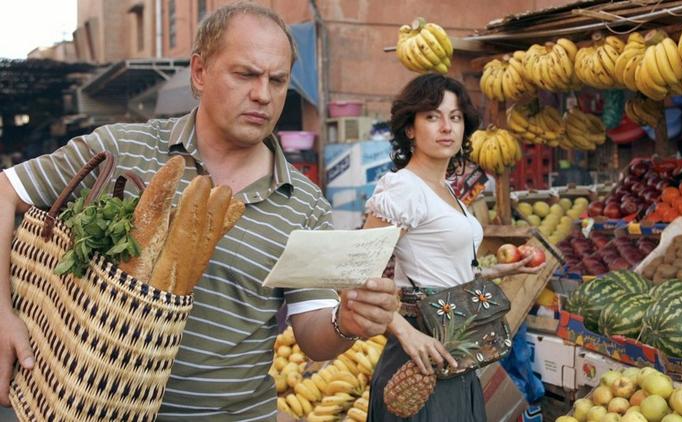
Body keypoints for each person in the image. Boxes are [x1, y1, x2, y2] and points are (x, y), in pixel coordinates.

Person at [0, 2, 398, 420]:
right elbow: (5, 189)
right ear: (200, 72)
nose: (263, 94)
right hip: (98, 408)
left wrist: (346, 322)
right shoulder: (122, 149)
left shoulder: (304, 202)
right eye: (246, 74)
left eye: (278, 80)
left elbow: (313, 336)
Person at [362, 74, 541, 421]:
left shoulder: (445, 189)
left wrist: (502, 270)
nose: (447, 127)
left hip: (457, 348)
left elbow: (442, 266)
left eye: (455, 117)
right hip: (420, 357)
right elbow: (355, 275)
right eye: (432, 116)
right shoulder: (404, 189)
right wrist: (405, 331)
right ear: (410, 128)